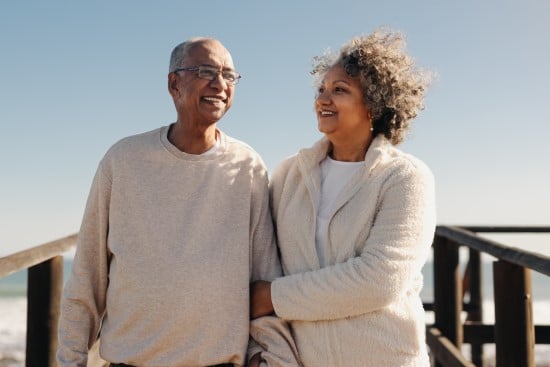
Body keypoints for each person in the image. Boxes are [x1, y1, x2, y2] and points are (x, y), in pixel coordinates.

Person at [57, 37, 299, 367]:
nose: (220, 84)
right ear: (174, 84)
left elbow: (264, 275)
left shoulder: (248, 166)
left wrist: (270, 358)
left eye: (229, 75)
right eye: (205, 71)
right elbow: (86, 279)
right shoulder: (123, 160)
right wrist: (71, 361)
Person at [251, 28, 436, 366]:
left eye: (340, 90)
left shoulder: (406, 177)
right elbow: (265, 263)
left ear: (375, 104)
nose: (323, 99)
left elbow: (380, 279)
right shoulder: (287, 176)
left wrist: (272, 296)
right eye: (321, 89)